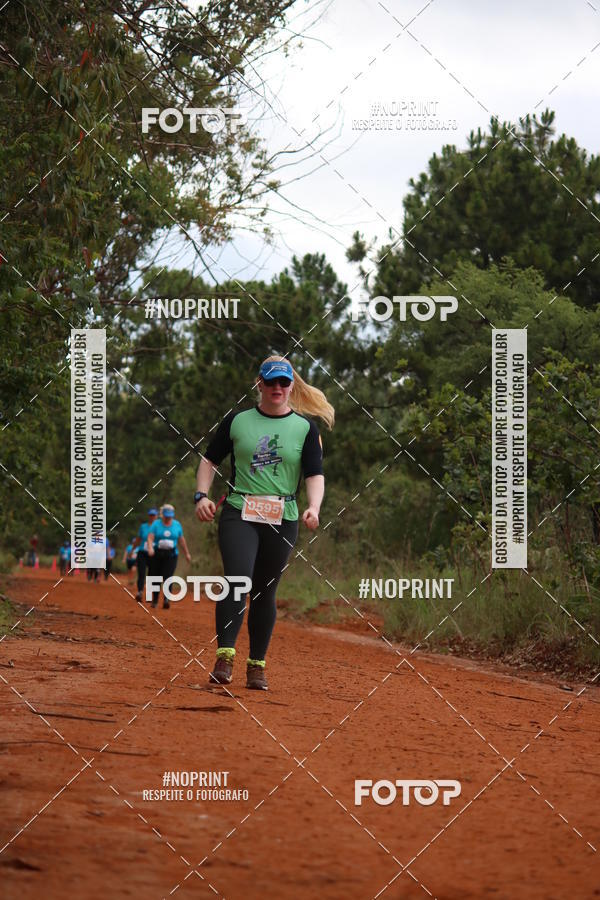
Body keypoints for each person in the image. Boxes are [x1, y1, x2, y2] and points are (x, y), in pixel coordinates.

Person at [195, 355, 334, 691]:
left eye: (283, 382)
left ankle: (256, 665)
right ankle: (224, 657)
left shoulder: (305, 428)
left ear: (291, 385)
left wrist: (313, 507)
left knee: (264, 591)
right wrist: (201, 495)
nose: (277, 388)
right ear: (259, 383)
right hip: (239, 511)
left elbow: (314, 474)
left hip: (282, 517)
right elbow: (209, 460)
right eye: (270, 381)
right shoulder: (237, 421)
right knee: (237, 581)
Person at [146, 504, 192, 609]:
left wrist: (187, 554)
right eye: (166, 516)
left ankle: (166, 599)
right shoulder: (156, 524)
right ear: (162, 515)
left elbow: (181, 540)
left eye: (170, 516)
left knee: (168, 577)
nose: (168, 518)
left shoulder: (177, 525)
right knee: (156, 577)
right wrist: (150, 548)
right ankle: (155, 599)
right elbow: (150, 538)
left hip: (171, 555)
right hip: (157, 554)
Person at [133, 508, 158, 602]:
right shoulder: (143, 527)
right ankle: (140, 592)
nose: (152, 517)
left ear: (156, 516)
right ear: (149, 516)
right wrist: (132, 549)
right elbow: (138, 539)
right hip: (142, 553)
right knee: (141, 573)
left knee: (152, 574)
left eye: (154, 515)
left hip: (154, 554)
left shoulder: (159, 527)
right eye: (151, 515)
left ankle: (150, 595)